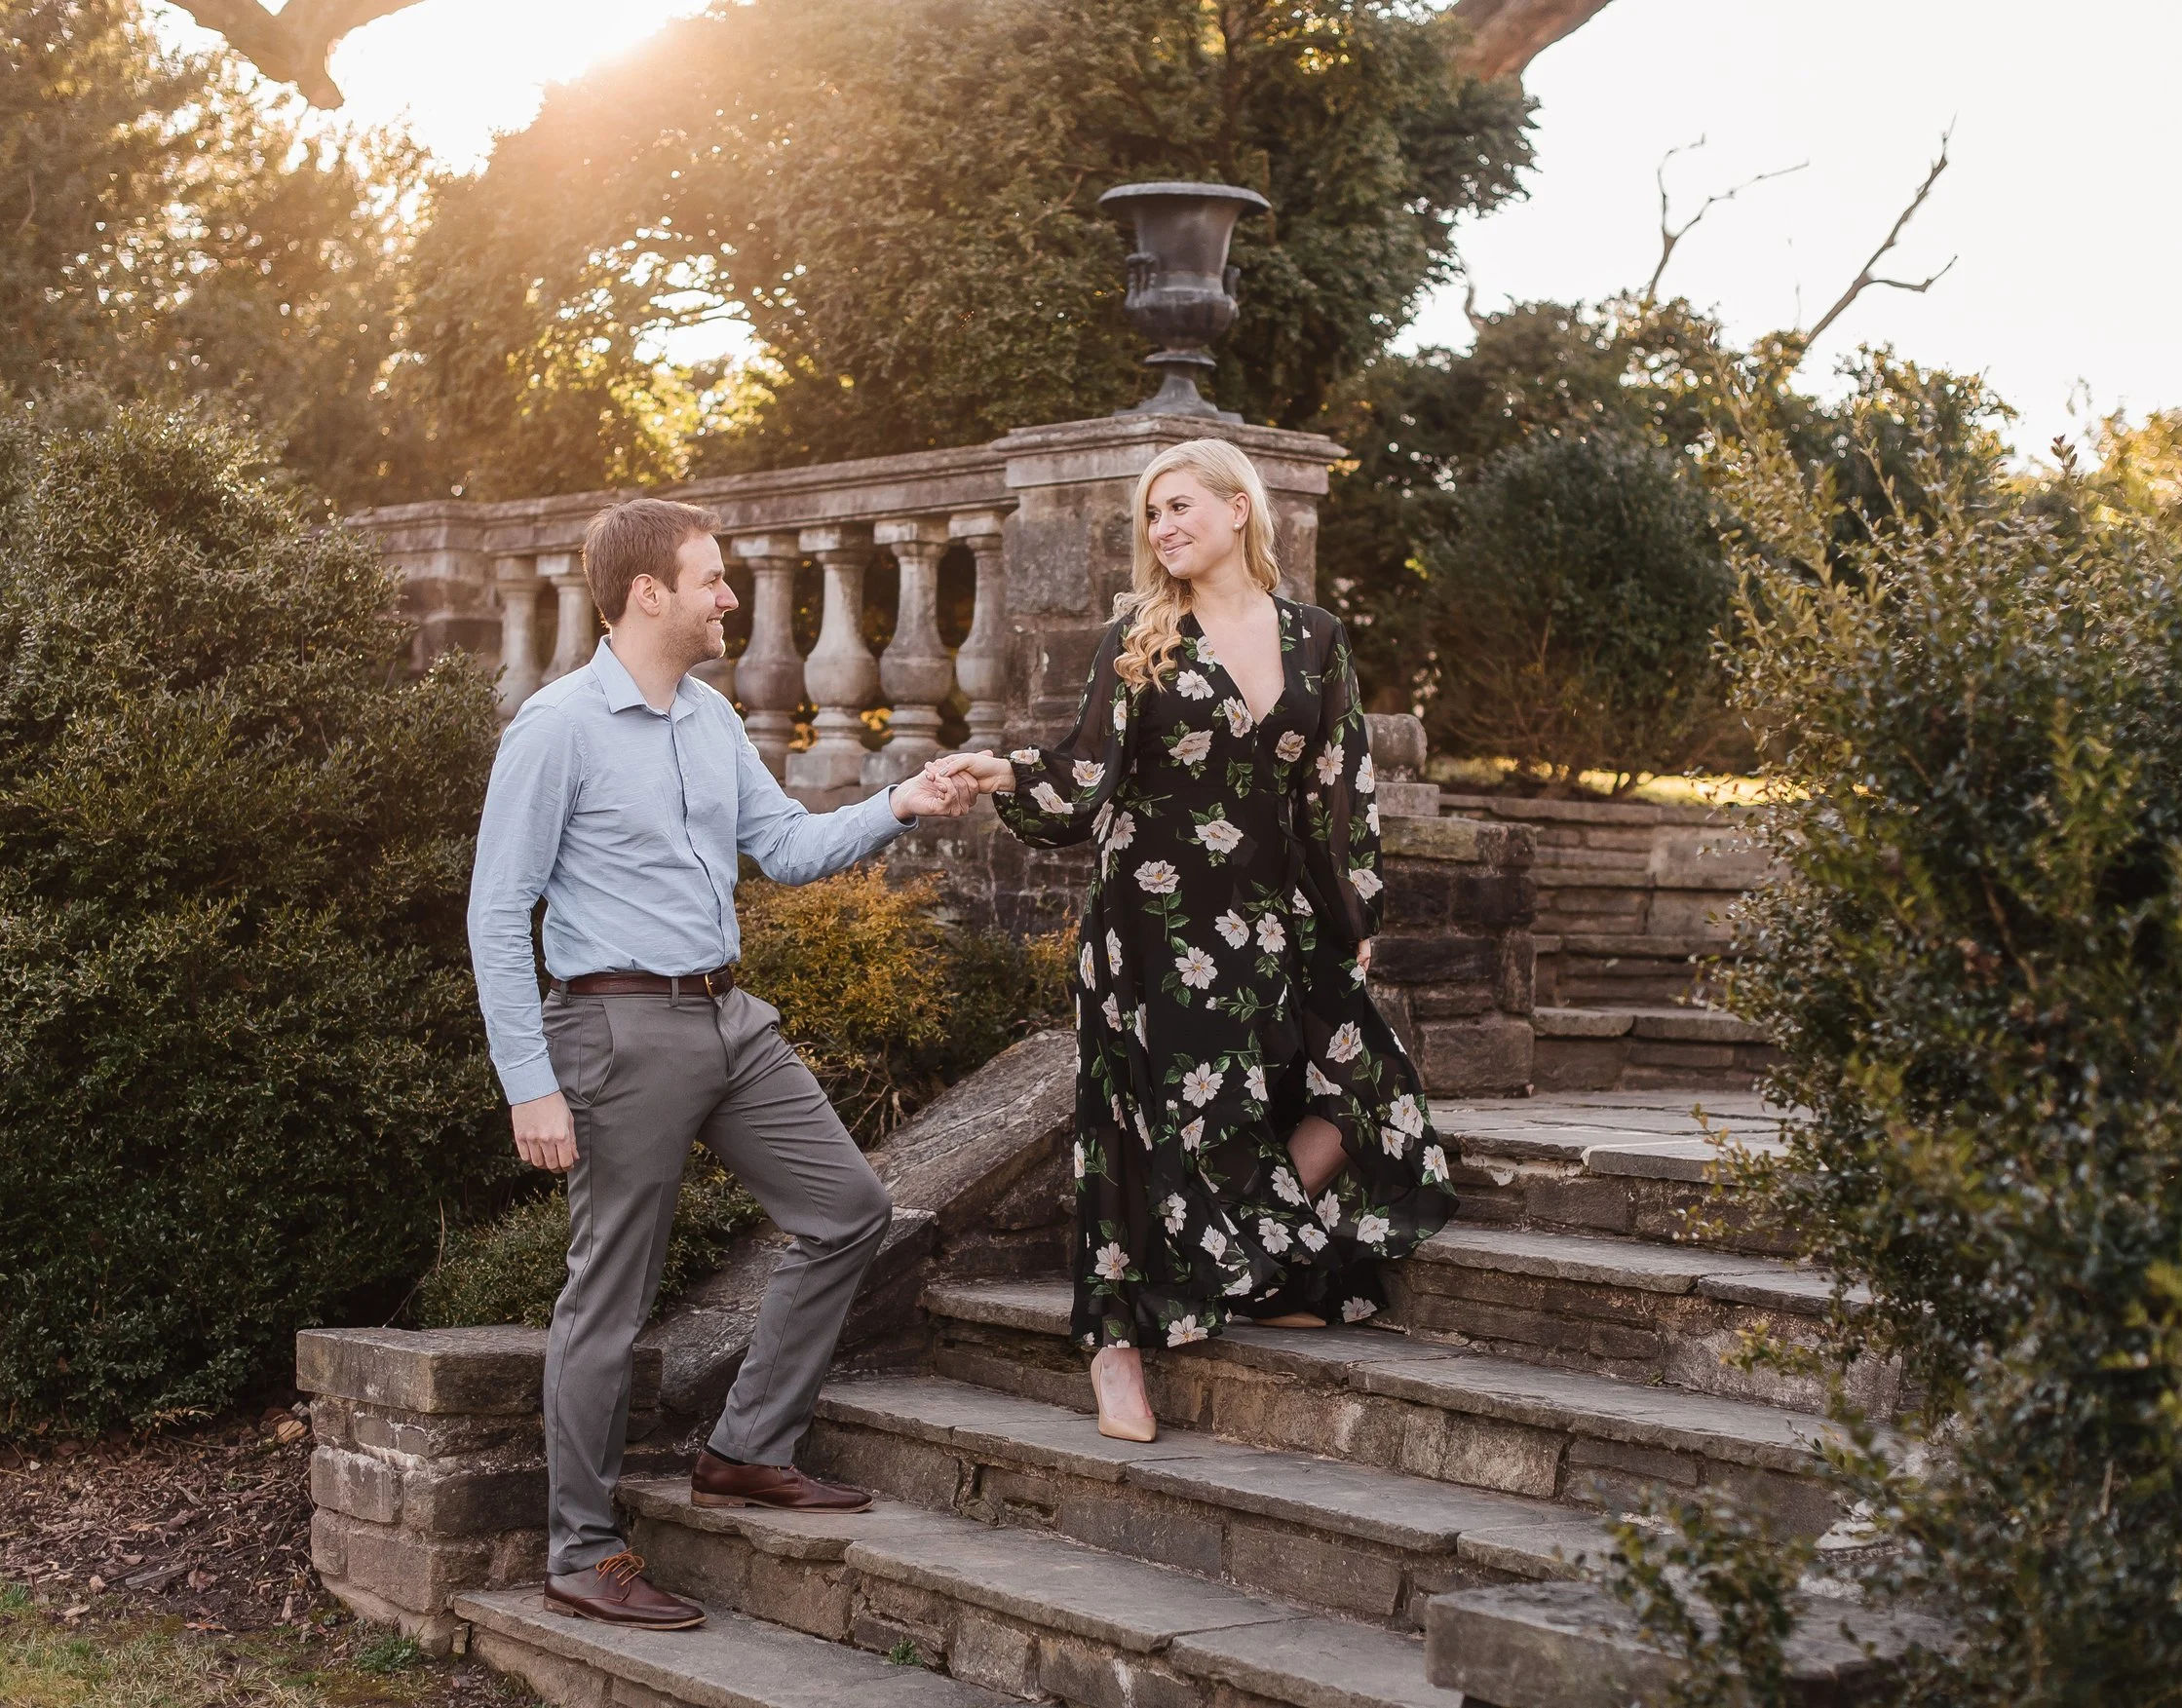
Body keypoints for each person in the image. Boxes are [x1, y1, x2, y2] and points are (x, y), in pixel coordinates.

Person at [467, 497, 976, 1630]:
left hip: (727, 1017)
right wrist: (528, 1082)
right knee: (611, 1295)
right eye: (711, 578)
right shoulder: (556, 727)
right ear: (647, 592)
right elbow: (497, 911)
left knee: (848, 1210)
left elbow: (785, 847)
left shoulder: (708, 718)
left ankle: (746, 1447)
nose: (730, 597)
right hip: (614, 1029)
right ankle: (582, 1551)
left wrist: (901, 802)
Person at [935, 438, 1456, 1443]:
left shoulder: (1315, 637)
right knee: (1140, 1123)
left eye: (1179, 506)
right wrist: (1003, 773)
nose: (1163, 527)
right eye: (1152, 513)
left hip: (1271, 911)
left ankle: (1254, 1258)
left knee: (1363, 1085)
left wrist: (1353, 919)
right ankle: (1116, 1349)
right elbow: (1087, 769)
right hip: (1152, 914)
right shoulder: (1143, 635)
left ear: (1237, 507)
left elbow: (1339, 788)